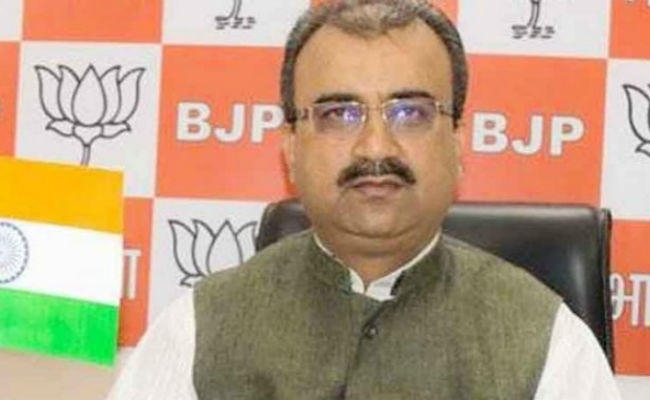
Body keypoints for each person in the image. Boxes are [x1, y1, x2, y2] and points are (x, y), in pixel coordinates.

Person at [108, 1, 621, 399]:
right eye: (339, 114)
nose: (376, 147)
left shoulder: (550, 343)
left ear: (457, 143)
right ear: (291, 150)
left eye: (410, 113)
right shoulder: (198, 329)